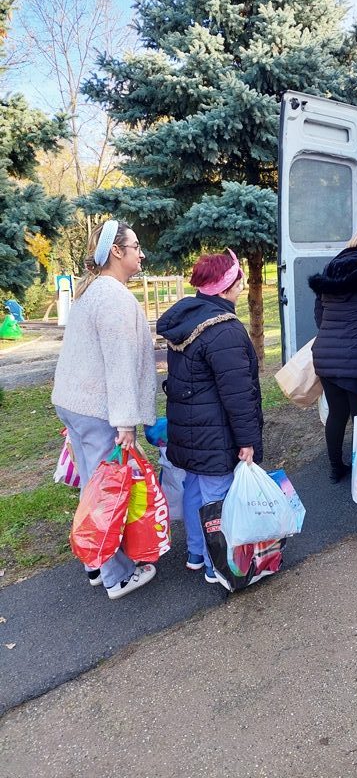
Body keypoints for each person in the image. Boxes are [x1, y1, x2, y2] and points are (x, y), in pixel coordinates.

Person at [52, 220, 158, 599]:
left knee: (92, 486)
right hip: (97, 409)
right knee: (107, 495)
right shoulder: (113, 297)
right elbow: (119, 364)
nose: (141, 253)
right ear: (117, 251)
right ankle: (116, 576)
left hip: (73, 403)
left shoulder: (91, 291)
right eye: (136, 246)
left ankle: (94, 562)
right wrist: (125, 422)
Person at [156, 250, 263, 583]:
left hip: (189, 430)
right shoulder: (224, 330)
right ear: (227, 286)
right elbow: (238, 395)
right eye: (239, 282)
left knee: (194, 488)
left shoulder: (187, 319)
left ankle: (195, 552)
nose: (242, 287)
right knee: (218, 497)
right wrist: (247, 440)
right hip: (215, 433)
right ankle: (215, 566)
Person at [308, 227, 357, 482]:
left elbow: (319, 315)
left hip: (325, 354)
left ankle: (336, 468)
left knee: (336, 414)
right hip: (356, 357)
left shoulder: (330, 268)